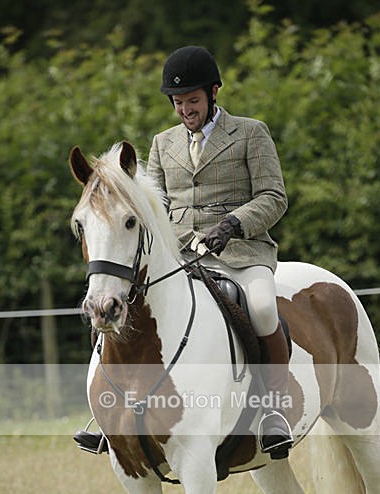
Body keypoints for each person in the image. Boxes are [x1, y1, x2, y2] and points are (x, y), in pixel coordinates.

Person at [146, 45, 293, 458]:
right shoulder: (162, 143)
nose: (185, 110)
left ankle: (273, 409)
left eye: (192, 101)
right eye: (177, 102)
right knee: (130, 304)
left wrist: (232, 224)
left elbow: (274, 196)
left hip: (241, 252)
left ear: (213, 93)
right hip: (180, 256)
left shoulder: (250, 132)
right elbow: (155, 206)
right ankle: (115, 415)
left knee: (263, 307)